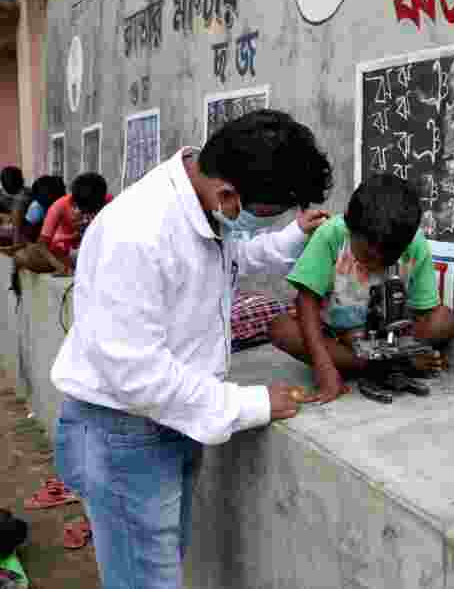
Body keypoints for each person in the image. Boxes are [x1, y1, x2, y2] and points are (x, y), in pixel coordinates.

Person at [50, 109, 334, 589]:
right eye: (262, 215)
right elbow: (140, 376)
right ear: (227, 195)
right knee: (146, 580)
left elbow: (230, 257)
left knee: (155, 566)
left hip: (167, 422)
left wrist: (292, 235)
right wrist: (253, 402)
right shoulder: (138, 232)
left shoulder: (204, 204)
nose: (249, 225)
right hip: (125, 434)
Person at [268, 173, 454, 400]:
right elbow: (306, 300)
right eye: (368, 257)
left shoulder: (414, 242)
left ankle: (384, 362)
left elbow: (424, 311)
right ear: (350, 228)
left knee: (444, 320)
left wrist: (407, 343)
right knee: (281, 329)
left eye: (389, 258)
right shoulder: (332, 234)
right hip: (335, 336)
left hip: (387, 337)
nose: (377, 265)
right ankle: (385, 366)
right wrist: (324, 367)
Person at [14, 172, 112, 275]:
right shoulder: (59, 206)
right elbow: (42, 244)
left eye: (93, 208)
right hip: (66, 255)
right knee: (21, 255)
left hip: (97, 256)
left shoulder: (110, 202)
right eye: (84, 209)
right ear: (74, 199)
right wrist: (60, 266)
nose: (87, 213)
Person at [0, 166, 30, 248]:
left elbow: (19, 214)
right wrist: (4, 216)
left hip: (21, 229)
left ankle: (16, 245)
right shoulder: (2, 195)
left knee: (18, 206)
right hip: (8, 227)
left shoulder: (25, 195)